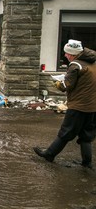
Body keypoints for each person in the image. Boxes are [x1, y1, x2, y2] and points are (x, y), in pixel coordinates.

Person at [33, 39, 96, 168]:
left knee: (66, 132)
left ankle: (49, 154)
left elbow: (67, 85)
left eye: (67, 53)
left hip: (79, 106)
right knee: (86, 135)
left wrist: (57, 83)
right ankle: (87, 163)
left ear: (72, 54)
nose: (65, 56)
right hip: (93, 106)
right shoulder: (93, 62)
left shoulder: (75, 65)